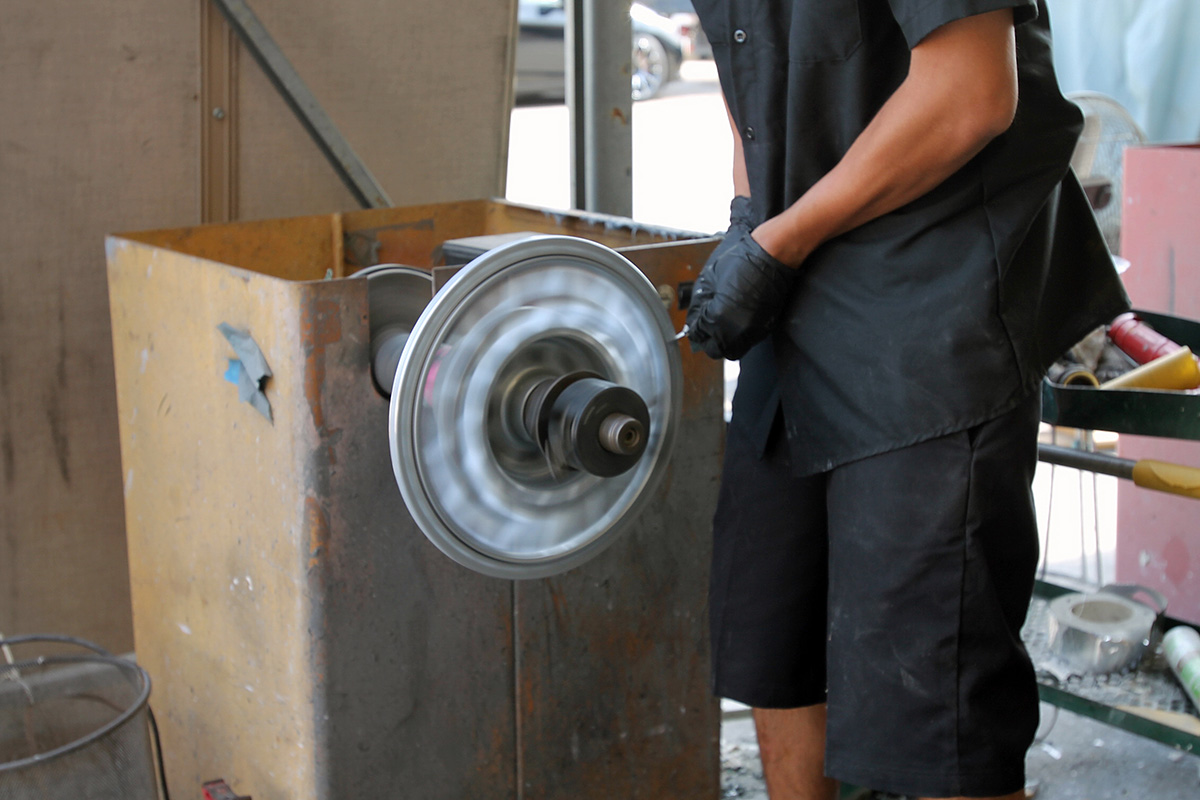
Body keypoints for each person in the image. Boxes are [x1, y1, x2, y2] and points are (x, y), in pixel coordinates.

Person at [684, 2, 1130, 799]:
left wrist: (781, 238)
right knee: (773, 638)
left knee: (935, 715)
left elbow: (971, 93)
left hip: (931, 303)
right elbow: (747, 67)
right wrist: (749, 217)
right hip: (797, 292)